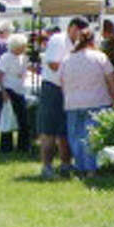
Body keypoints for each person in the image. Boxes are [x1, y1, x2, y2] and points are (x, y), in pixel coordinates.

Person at [59, 22, 114, 179]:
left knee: (76, 137)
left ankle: (80, 167)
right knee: (92, 137)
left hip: (73, 103)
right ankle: (91, 169)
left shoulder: (67, 59)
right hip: (97, 102)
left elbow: (62, 82)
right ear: (93, 41)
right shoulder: (100, 57)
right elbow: (111, 81)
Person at [37, 23, 75, 179]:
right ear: (73, 28)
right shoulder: (58, 40)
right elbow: (53, 64)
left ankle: (66, 165)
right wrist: (75, 67)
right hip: (53, 88)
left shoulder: (76, 42)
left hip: (67, 89)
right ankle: (47, 167)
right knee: (49, 130)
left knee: (65, 131)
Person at [0, 33, 32, 154]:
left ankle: (23, 146)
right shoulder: (5, 57)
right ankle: (6, 147)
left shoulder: (23, 58)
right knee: (8, 118)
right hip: (8, 89)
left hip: (19, 90)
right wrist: (3, 91)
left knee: (23, 119)